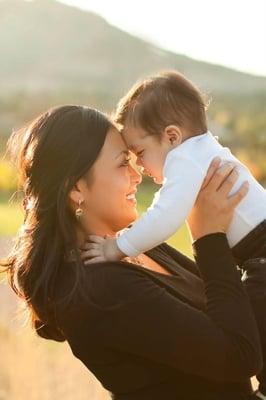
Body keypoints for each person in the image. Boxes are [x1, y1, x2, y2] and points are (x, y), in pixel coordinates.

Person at [1, 105, 265, 400]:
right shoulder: (98, 290)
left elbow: (235, 316)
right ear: (76, 188)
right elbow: (239, 358)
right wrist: (208, 237)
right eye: (122, 162)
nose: (137, 175)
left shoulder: (136, 245)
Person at [87, 71, 266, 270]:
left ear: (172, 137)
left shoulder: (185, 158)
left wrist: (117, 248)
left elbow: (164, 215)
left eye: (140, 152)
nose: (139, 164)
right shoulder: (199, 151)